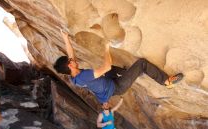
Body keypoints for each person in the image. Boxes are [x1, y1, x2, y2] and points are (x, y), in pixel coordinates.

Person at [54, 30, 183, 104]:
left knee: (114, 70)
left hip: (107, 83)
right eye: (71, 61)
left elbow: (71, 54)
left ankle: (130, 72)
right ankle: (166, 81)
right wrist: (106, 48)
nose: (74, 59)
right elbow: (106, 66)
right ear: (70, 65)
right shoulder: (83, 76)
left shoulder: (74, 77)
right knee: (142, 63)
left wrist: (65, 38)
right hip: (117, 87)